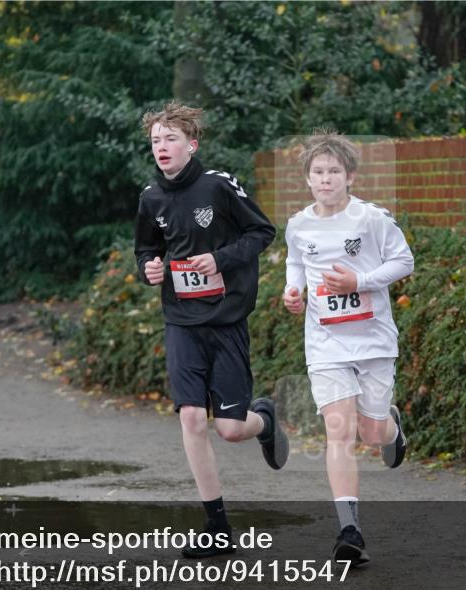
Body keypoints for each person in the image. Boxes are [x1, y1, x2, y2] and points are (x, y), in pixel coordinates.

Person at [134, 101, 288, 558]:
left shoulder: (218, 186)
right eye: (156, 140)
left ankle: (263, 421)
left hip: (225, 320)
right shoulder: (150, 197)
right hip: (181, 320)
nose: (162, 147)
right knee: (191, 417)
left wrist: (219, 259)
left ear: (191, 144)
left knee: (231, 429)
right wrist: (150, 269)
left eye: (171, 139)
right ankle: (217, 526)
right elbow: (145, 248)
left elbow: (262, 233)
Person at [283, 130, 414, 565]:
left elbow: (404, 261)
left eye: (333, 171)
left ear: (350, 176)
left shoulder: (372, 219)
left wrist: (360, 282)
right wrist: (293, 290)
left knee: (371, 433)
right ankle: (349, 530)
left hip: (373, 339)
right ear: (307, 178)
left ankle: (391, 428)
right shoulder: (299, 224)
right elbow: (296, 262)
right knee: (338, 430)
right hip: (326, 342)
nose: (325, 179)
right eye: (317, 172)